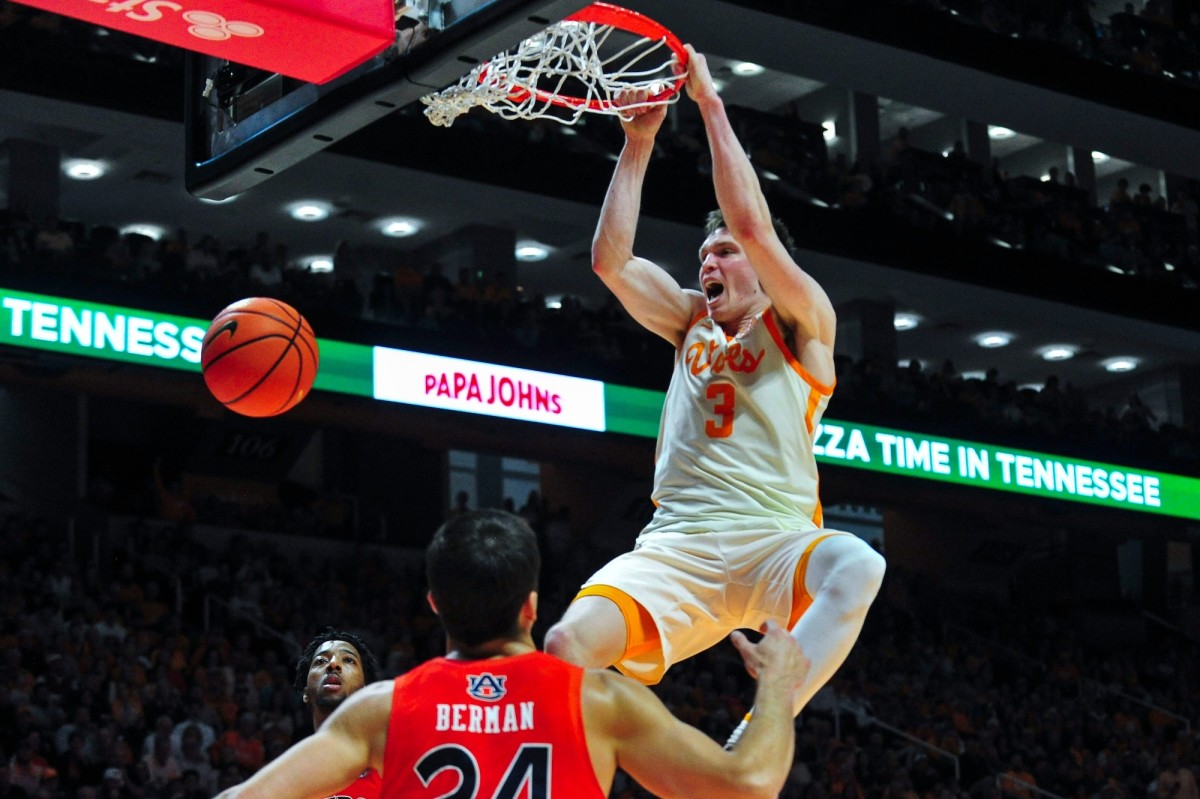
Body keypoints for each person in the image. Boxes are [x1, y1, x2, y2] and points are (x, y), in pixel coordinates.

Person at [543, 44, 886, 746]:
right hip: (679, 545)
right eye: (704, 255)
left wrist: (709, 103)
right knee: (565, 646)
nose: (709, 261)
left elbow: (754, 225)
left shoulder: (804, 320)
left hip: (776, 539)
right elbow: (611, 260)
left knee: (860, 564)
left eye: (723, 253)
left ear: (762, 269)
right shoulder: (688, 320)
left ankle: (758, 727)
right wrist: (638, 144)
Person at [214, 510, 808, 799]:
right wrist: (777, 682)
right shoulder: (599, 699)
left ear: (435, 606)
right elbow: (749, 784)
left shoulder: (381, 710)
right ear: (530, 606)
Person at [293, 628, 381, 799]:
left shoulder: (390, 772)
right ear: (305, 693)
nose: (333, 664)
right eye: (320, 661)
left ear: (365, 691)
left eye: (348, 660)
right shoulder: (285, 779)